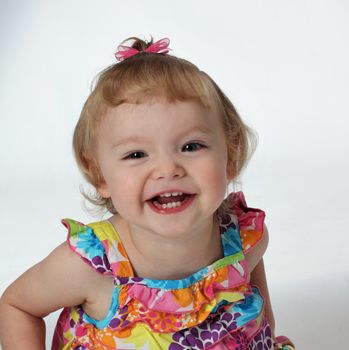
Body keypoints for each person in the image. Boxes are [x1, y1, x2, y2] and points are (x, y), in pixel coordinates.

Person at [0, 37, 295, 350]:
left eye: (191, 146)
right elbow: (17, 306)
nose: (168, 169)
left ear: (230, 156)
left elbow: (253, 293)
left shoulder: (245, 240)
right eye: (137, 154)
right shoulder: (92, 267)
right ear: (101, 175)